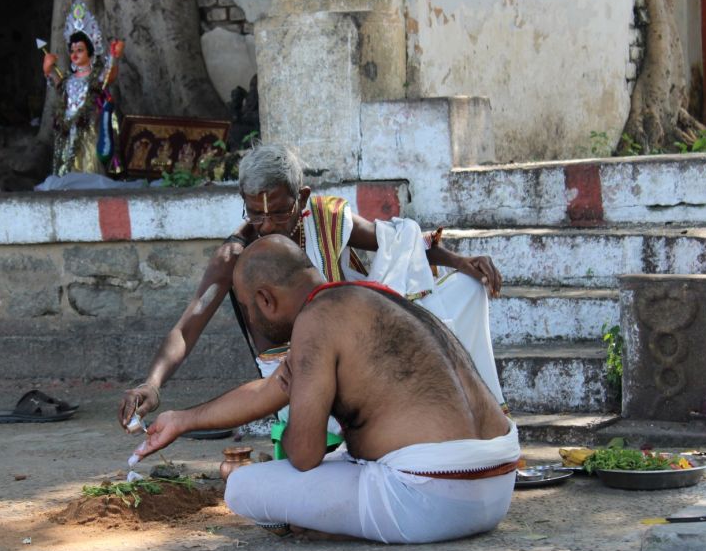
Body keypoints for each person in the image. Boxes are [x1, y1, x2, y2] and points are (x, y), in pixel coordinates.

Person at [134, 236, 520, 543]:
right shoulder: (369, 297)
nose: (251, 319)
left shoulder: (315, 321)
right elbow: (269, 390)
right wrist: (181, 420)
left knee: (242, 486)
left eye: (248, 308)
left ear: (265, 299)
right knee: (338, 464)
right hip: (497, 483)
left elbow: (304, 456)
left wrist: (300, 420)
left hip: (432, 500)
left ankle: (335, 528)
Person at [118, 143, 506, 428]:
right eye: (255, 214)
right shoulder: (234, 256)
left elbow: (396, 240)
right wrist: (152, 383)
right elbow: (187, 326)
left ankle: (479, 423)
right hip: (289, 381)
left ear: (302, 198)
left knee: (464, 290)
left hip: (350, 354)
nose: (267, 226)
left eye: (279, 212)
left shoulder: (325, 218)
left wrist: (460, 261)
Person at [43, 0, 123, 176]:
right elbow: (57, 83)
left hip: (90, 127)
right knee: (67, 164)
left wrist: (114, 56)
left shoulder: (96, 76)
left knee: (89, 165)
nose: (74, 54)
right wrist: (48, 69)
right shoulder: (68, 79)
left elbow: (109, 75)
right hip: (67, 128)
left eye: (79, 50)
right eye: (72, 50)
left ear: (90, 51)